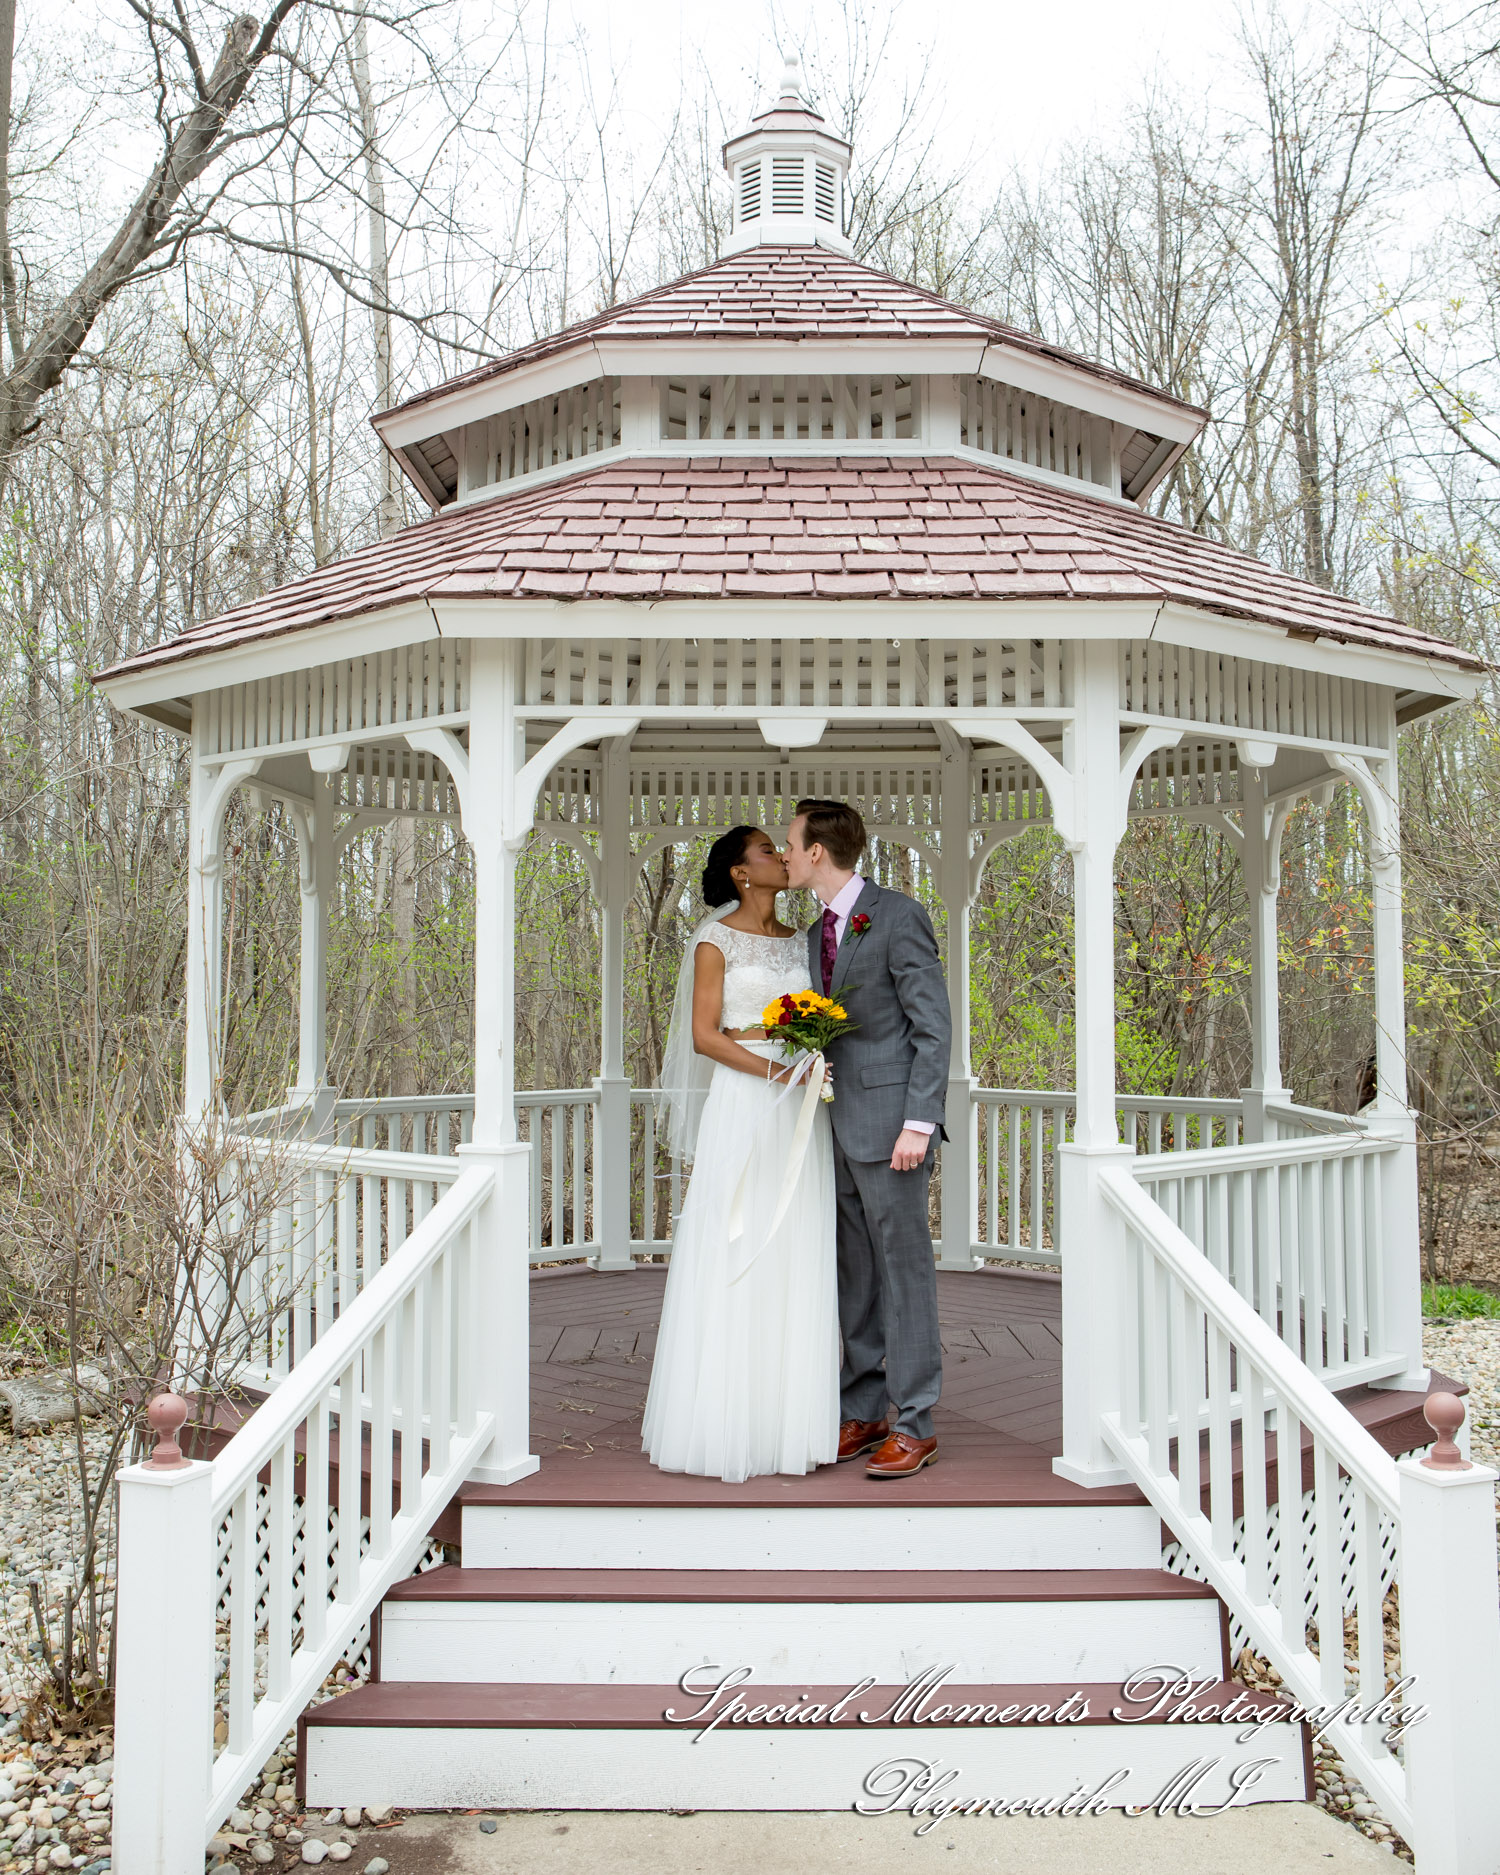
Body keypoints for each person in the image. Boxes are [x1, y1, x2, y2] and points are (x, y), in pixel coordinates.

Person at [641, 826, 839, 1482]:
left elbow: (817, 1009)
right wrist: (772, 1070)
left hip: (800, 1100)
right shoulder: (714, 939)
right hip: (746, 1096)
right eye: (764, 850)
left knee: (796, 1239)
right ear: (738, 872)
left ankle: (789, 1418)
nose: (780, 857)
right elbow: (704, 1036)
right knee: (739, 1234)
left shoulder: (804, 938)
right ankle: (721, 1418)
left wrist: (808, 1054)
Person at [782, 799, 952, 1478]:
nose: (788, 854)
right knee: (854, 1272)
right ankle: (865, 1407)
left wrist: (919, 1122)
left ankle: (917, 1420)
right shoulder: (810, 935)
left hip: (892, 1131)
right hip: (834, 1126)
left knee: (903, 1273)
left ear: (818, 850)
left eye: (793, 843)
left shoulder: (898, 915)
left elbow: (931, 1027)